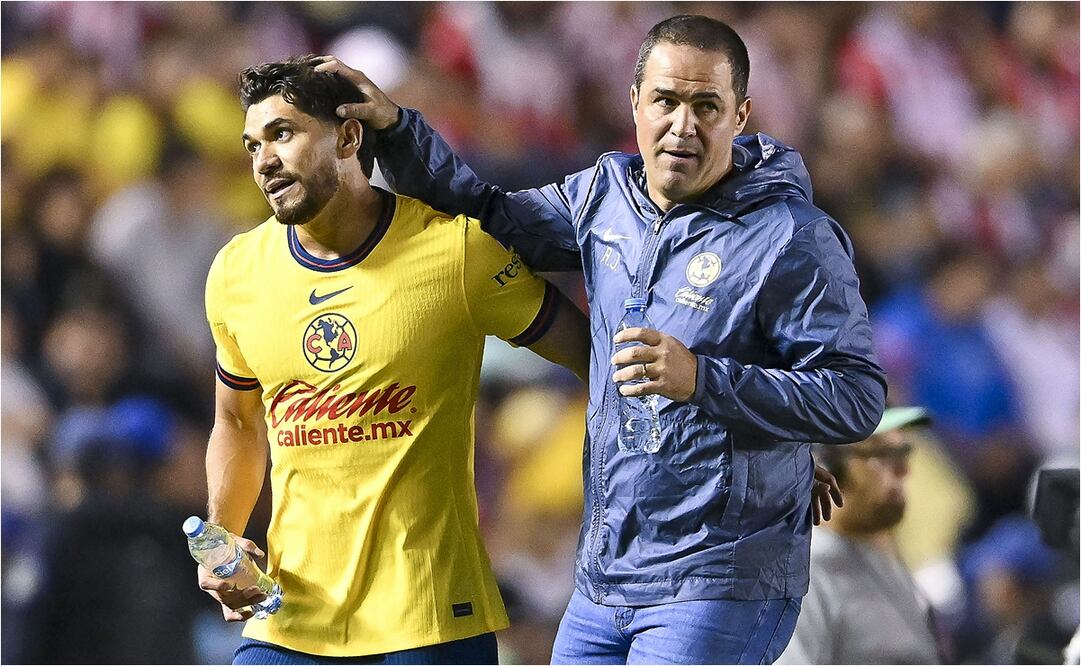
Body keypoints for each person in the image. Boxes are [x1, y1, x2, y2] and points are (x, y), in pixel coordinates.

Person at [319, 12, 885, 664]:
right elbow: (484, 215)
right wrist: (396, 132)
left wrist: (704, 379)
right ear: (635, 103)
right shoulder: (602, 198)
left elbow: (854, 395)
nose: (683, 124)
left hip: (720, 581)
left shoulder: (791, 236)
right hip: (604, 577)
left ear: (740, 114)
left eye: (707, 106)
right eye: (666, 101)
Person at [199, 56, 592, 665]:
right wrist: (222, 538)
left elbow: (593, 357)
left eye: (283, 134)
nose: (263, 161)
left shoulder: (456, 251)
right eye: (252, 145)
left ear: (350, 136)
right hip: (292, 618)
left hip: (432, 622)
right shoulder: (236, 273)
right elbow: (239, 421)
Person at [776, 407, 944, 665]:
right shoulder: (804, 575)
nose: (903, 471)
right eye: (882, 455)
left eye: (903, 454)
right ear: (829, 468)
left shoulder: (878, 556)